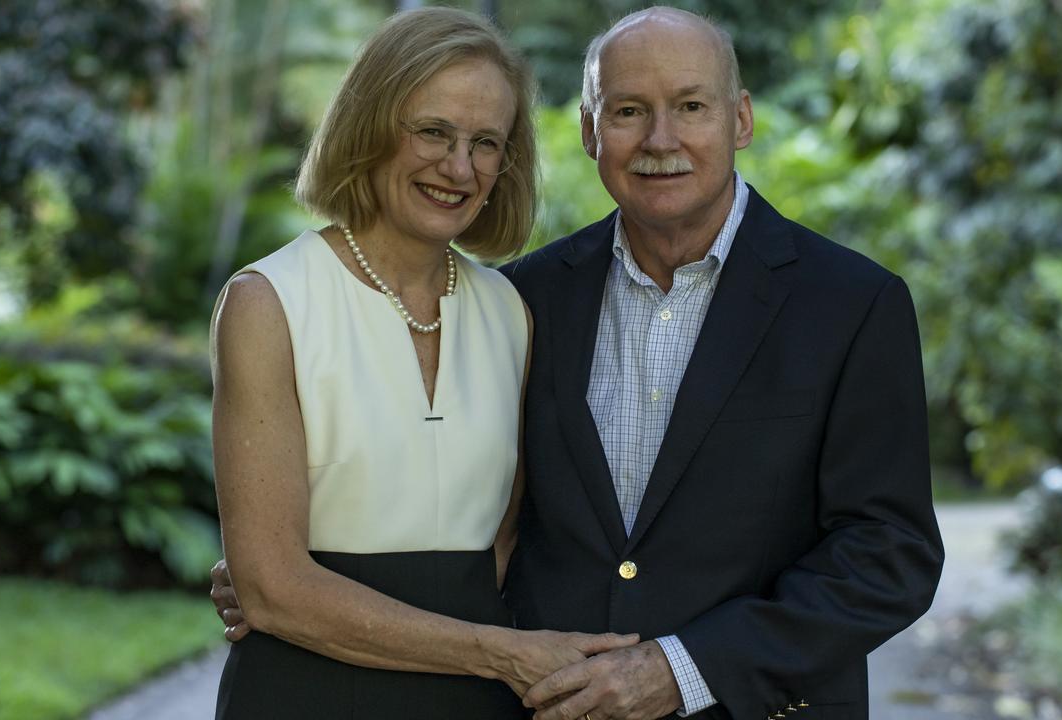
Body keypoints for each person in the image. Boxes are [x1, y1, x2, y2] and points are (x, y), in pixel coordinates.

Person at [214, 7, 943, 720]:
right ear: (591, 129)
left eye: (690, 106)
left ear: (741, 119)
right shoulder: (532, 299)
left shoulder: (851, 303)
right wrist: (294, 576)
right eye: (628, 111)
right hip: (533, 703)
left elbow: (890, 555)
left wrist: (682, 669)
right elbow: (500, 523)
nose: (661, 140)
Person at [207, 7, 638, 719]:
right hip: (306, 695)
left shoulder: (510, 312)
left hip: (475, 703)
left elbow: (505, 541)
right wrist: (498, 651)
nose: (459, 167)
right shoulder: (271, 302)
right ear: (370, 126)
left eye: (486, 143)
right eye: (433, 132)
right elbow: (272, 588)